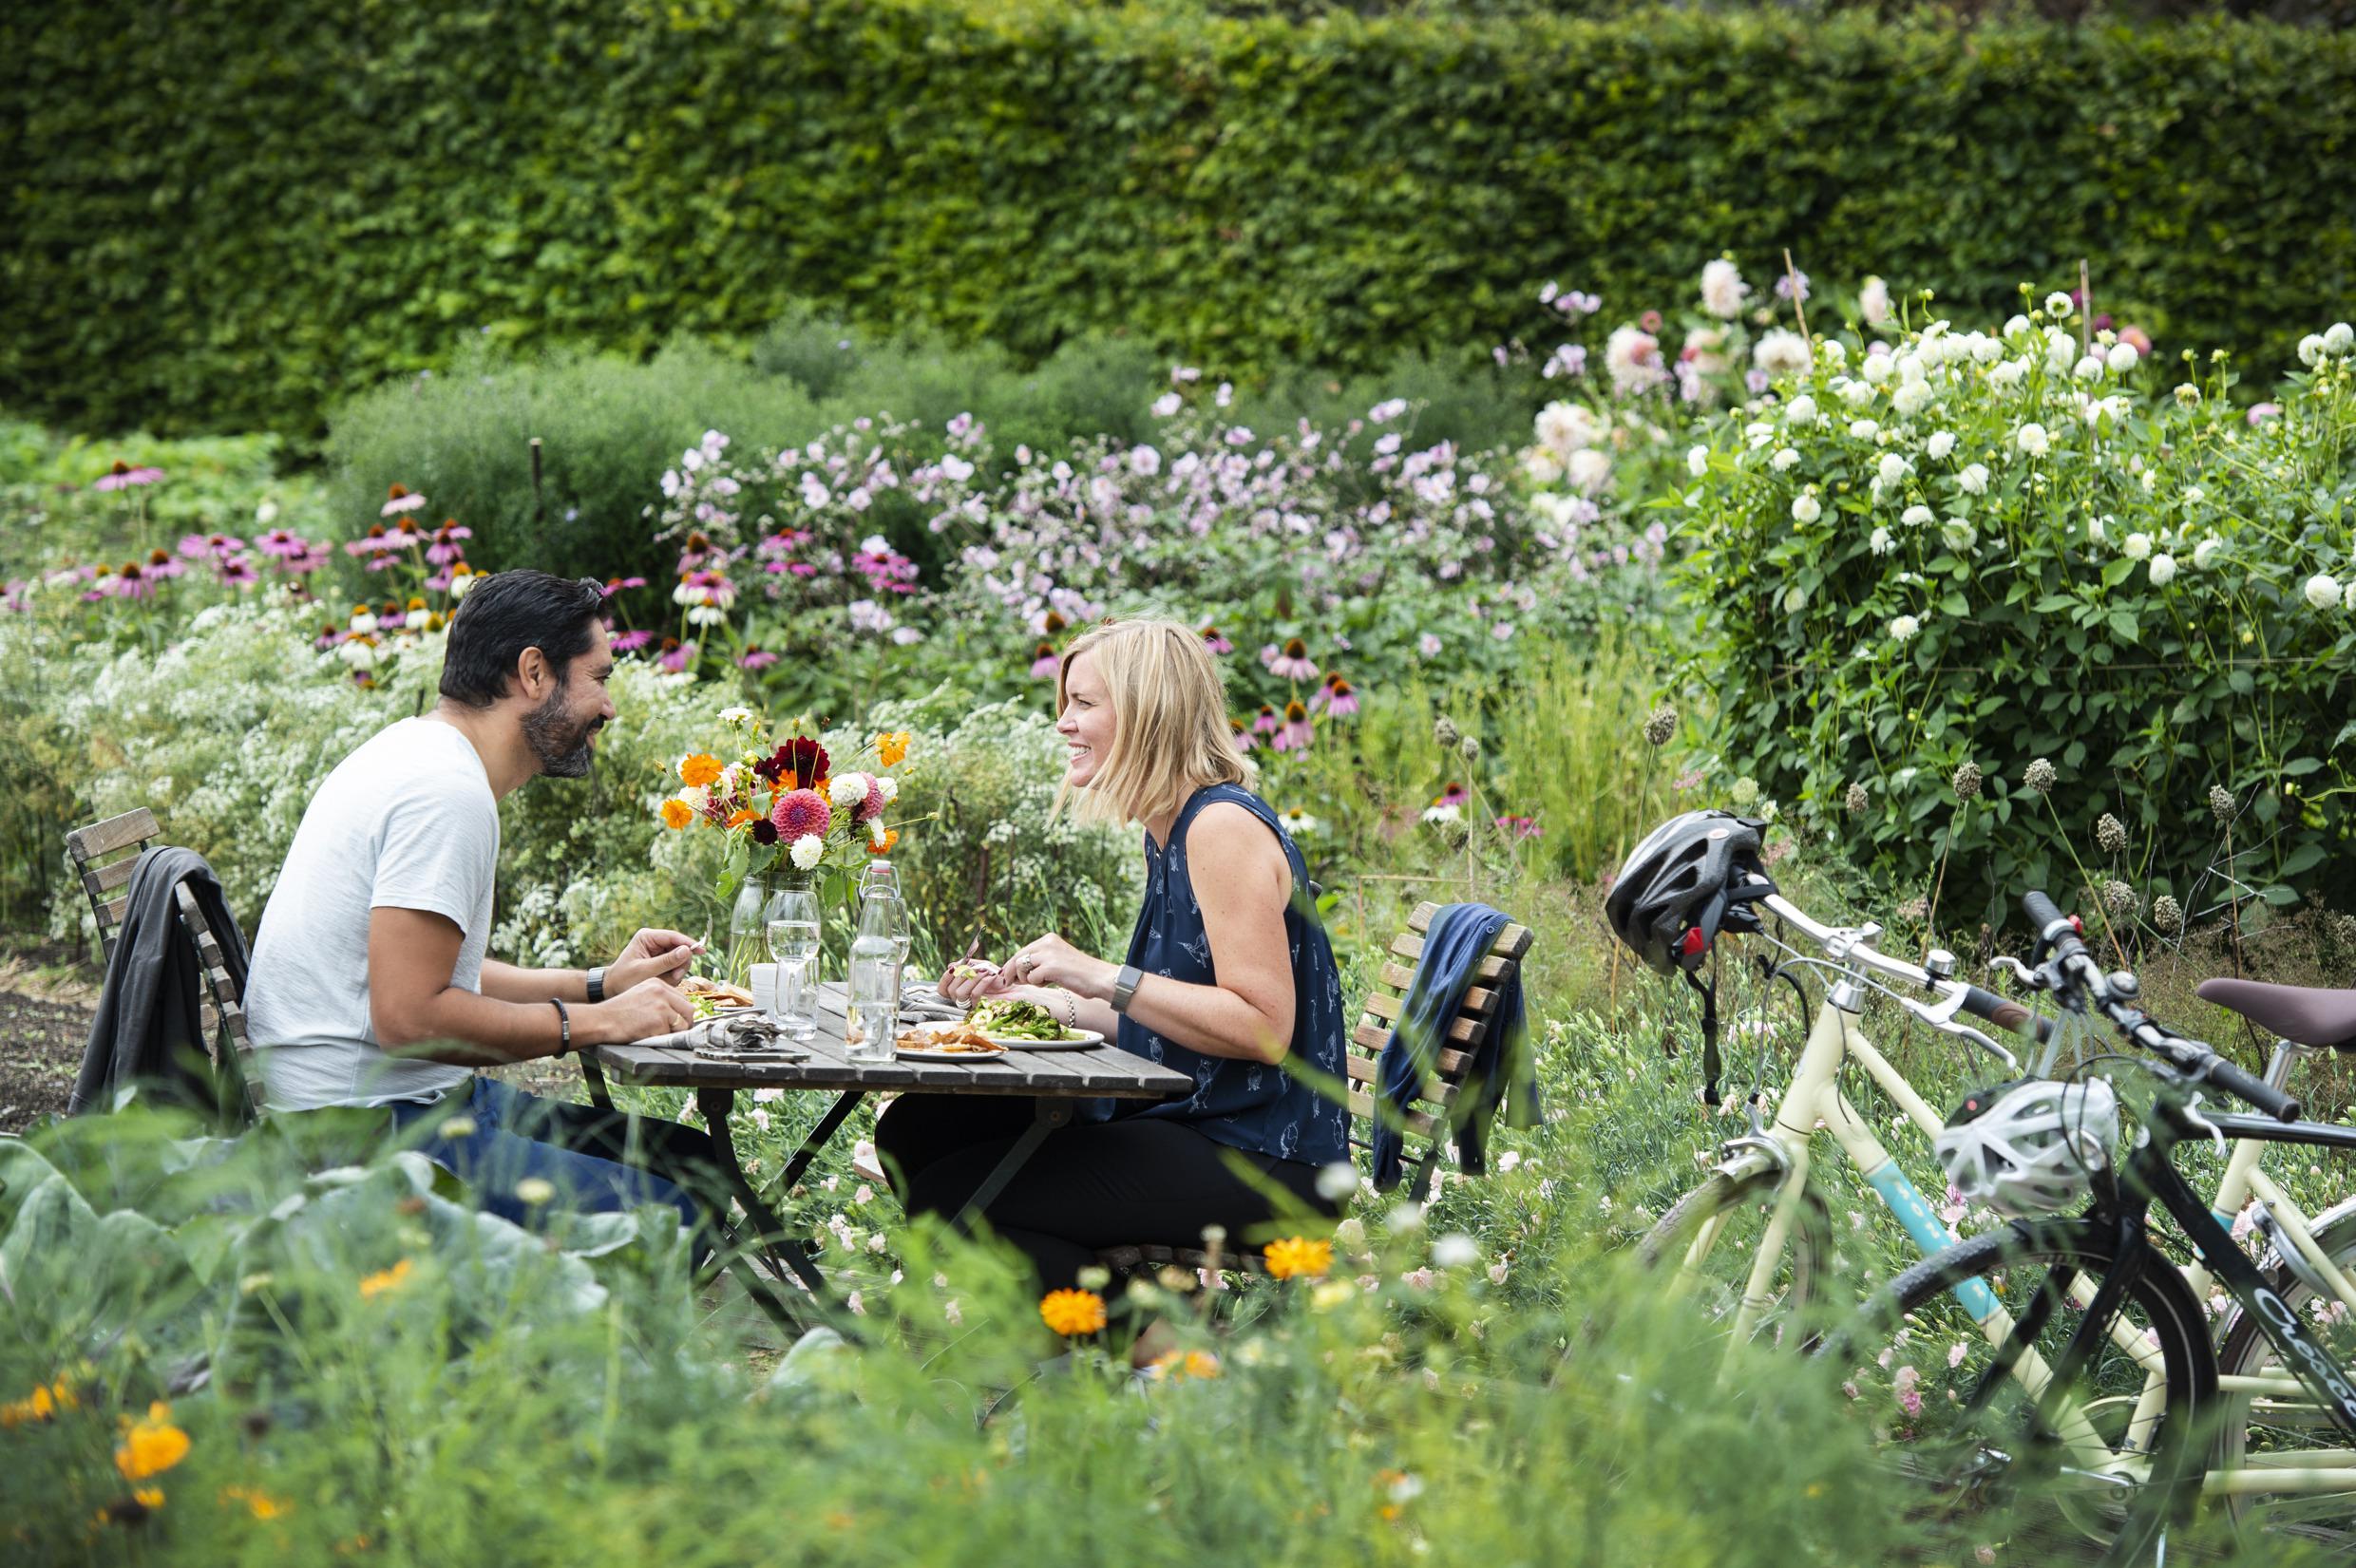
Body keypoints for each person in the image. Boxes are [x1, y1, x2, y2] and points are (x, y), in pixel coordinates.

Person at [876, 617, 1350, 1326]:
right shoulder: (1170, 829)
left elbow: (1261, 1027)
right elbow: (1175, 1015)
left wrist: (1099, 974)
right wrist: (1043, 1001)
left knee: (954, 1193)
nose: (1064, 723)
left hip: (1263, 1158)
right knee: (919, 1131)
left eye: (1084, 704)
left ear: (1148, 711)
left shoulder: (1220, 829)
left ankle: (1151, 1348)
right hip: (1204, 1123)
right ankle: (1110, 1334)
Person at [244, 570, 717, 1235]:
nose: (608, 708)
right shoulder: (446, 793)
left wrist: (598, 985)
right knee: (673, 1213)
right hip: (365, 1139)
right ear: (534, 672)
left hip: (401, 1104)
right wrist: (599, 1022)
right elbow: (409, 1016)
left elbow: (431, 975)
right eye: (600, 679)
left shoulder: (417, 755)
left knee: (698, 1162)